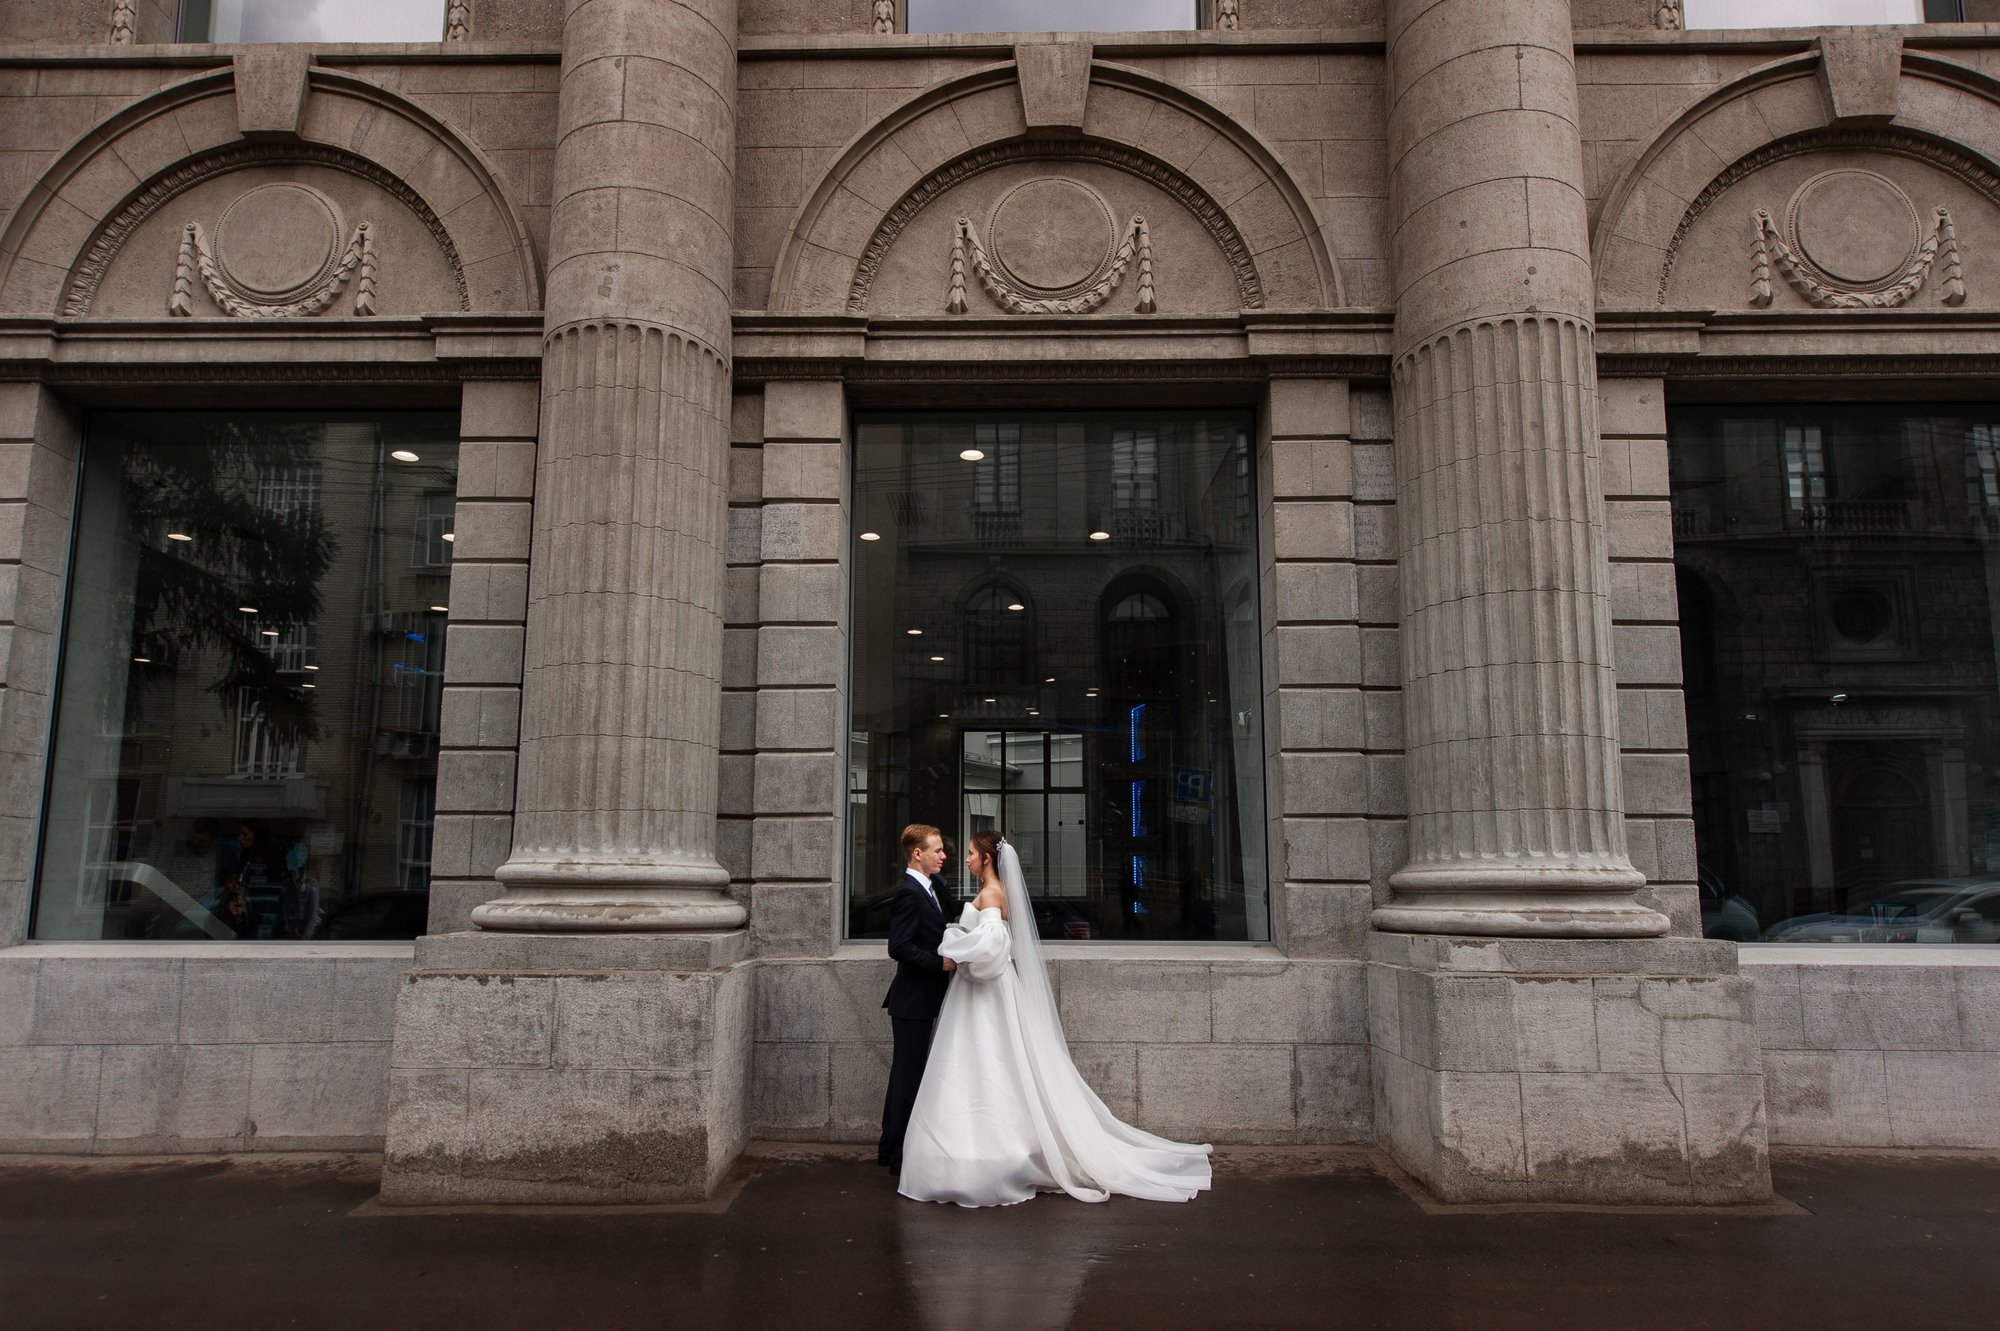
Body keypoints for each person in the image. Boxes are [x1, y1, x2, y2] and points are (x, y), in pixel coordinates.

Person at [898, 830, 1212, 1207]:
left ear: (986, 859)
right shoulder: (990, 891)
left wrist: (957, 952)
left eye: (970, 854)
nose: (963, 859)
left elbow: (994, 951)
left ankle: (988, 1150)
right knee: (985, 1067)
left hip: (983, 995)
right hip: (977, 996)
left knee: (986, 1065)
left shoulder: (993, 893)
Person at [877, 823, 957, 1174]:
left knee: (904, 1076)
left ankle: (890, 1148)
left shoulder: (930, 887)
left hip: (918, 1000)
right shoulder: (910, 891)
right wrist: (938, 962)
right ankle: (897, 1156)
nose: (944, 855)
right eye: (937, 850)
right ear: (917, 853)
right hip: (912, 1001)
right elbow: (899, 946)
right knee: (908, 1078)